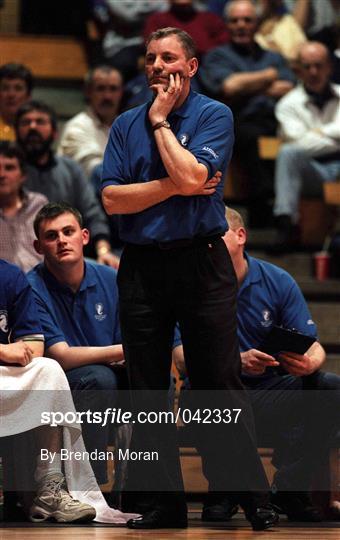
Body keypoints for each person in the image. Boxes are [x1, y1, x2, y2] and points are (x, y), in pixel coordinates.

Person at [101, 26, 278, 531]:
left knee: (217, 383)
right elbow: (114, 199)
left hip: (201, 261)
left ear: (192, 66)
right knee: (147, 389)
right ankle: (162, 503)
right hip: (141, 264)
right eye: (151, 58)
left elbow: (197, 179)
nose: (157, 66)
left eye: (169, 58)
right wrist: (174, 182)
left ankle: (249, 495)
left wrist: (161, 127)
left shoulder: (213, 114)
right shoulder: (123, 124)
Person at [174, 206, 340, 521]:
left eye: (215, 233)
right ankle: (223, 490)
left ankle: (288, 489)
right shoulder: (190, 286)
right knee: (200, 389)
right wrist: (235, 362)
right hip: (217, 391)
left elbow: (313, 344)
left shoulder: (276, 280)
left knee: (329, 387)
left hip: (269, 391)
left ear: (240, 236)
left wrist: (309, 363)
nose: (207, 243)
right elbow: (181, 358)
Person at [0, 258, 135, 524]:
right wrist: (3, 350)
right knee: (95, 379)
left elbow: (34, 347)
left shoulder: (9, 276)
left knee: (48, 369)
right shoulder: (37, 280)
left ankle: (49, 485)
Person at [27, 202, 125, 485]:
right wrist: (121, 352)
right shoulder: (31, 287)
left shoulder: (111, 278)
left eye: (68, 232)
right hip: (59, 385)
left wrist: (127, 353)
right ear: (38, 246)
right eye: (51, 236)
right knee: (99, 378)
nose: (61, 241)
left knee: (158, 379)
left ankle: (151, 487)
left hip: (109, 377)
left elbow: (127, 337)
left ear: (84, 237)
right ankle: (87, 485)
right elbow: (62, 356)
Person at [199, 0, 295, 225]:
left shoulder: (273, 56)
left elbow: (288, 87)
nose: (241, 25)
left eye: (247, 20)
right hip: (238, 120)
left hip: (276, 120)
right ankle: (263, 204)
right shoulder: (217, 56)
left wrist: (248, 85)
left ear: (257, 24)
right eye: (235, 21)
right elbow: (229, 86)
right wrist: (269, 76)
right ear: (227, 25)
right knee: (249, 135)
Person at [15, 100, 119, 268]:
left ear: (55, 133)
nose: (32, 127)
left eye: (40, 121)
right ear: (16, 132)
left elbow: (92, 213)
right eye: (26, 122)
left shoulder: (70, 168)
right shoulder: (8, 171)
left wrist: (103, 249)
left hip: (67, 258)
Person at [270, 41, 340, 253]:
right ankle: (286, 224)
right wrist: (335, 137)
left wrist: (319, 133)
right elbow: (298, 143)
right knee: (289, 152)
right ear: (298, 69)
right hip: (313, 172)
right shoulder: (287, 104)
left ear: (329, 67)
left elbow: (306, 141)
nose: (313, 72)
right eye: (307, 66)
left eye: (319, 65)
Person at [58, 66, 123, 178]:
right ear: (88, 92)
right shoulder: (77, 127)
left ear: (121, 92)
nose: (107, 96)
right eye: (100, 89)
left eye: (113, 89)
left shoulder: (126, 126)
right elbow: (97, 174)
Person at [0, 141, 47, 271]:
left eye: (9, 168)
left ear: (23, 176)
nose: (2, 175)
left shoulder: (38, 204)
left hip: (41, 286)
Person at [144, 0, 229, 59]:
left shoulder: (211, 19)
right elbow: (153, 49)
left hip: (206, 71)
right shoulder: (156, 21)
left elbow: (222, 50)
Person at [0, 63, 33, 142]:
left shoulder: (35, 129)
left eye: (18, 88)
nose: (11, 94)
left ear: (28, 96)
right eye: (5, 88)